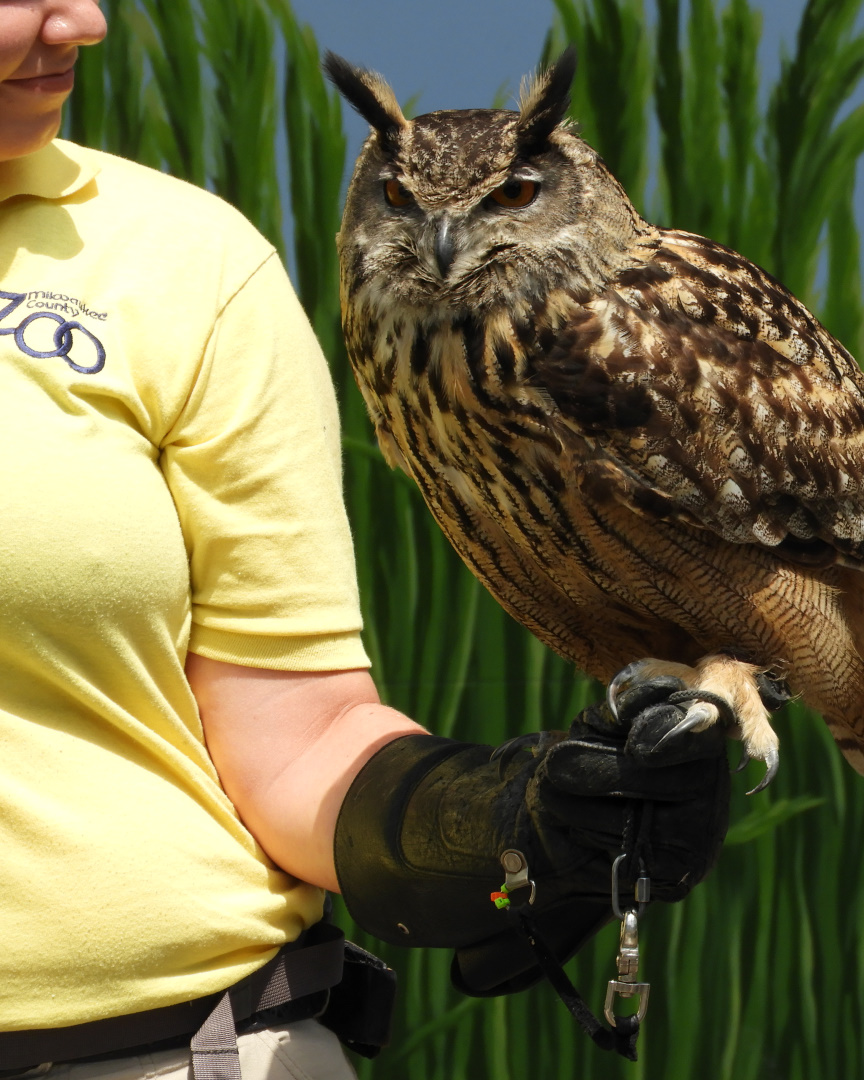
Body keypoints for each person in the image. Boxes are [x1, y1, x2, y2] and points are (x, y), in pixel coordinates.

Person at [0, 3, 734, 1077]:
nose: (85, 20)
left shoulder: (180, 263)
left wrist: (499, 825)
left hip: (180, 1053)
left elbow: (291, 738)